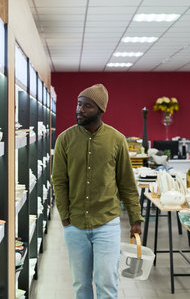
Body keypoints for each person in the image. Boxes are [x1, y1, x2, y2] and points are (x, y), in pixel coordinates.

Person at [52, 84, 144, 299]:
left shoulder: (117, 140)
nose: (79, 110)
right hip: (75, 225)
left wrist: (135, 218)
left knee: (107, 283)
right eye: (79, 104)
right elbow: (59, 181)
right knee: (81, 285)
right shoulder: (65, 139)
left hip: (107, 223)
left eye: (87, 106)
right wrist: (65, 217)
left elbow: (127, 184)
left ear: (100, 110)